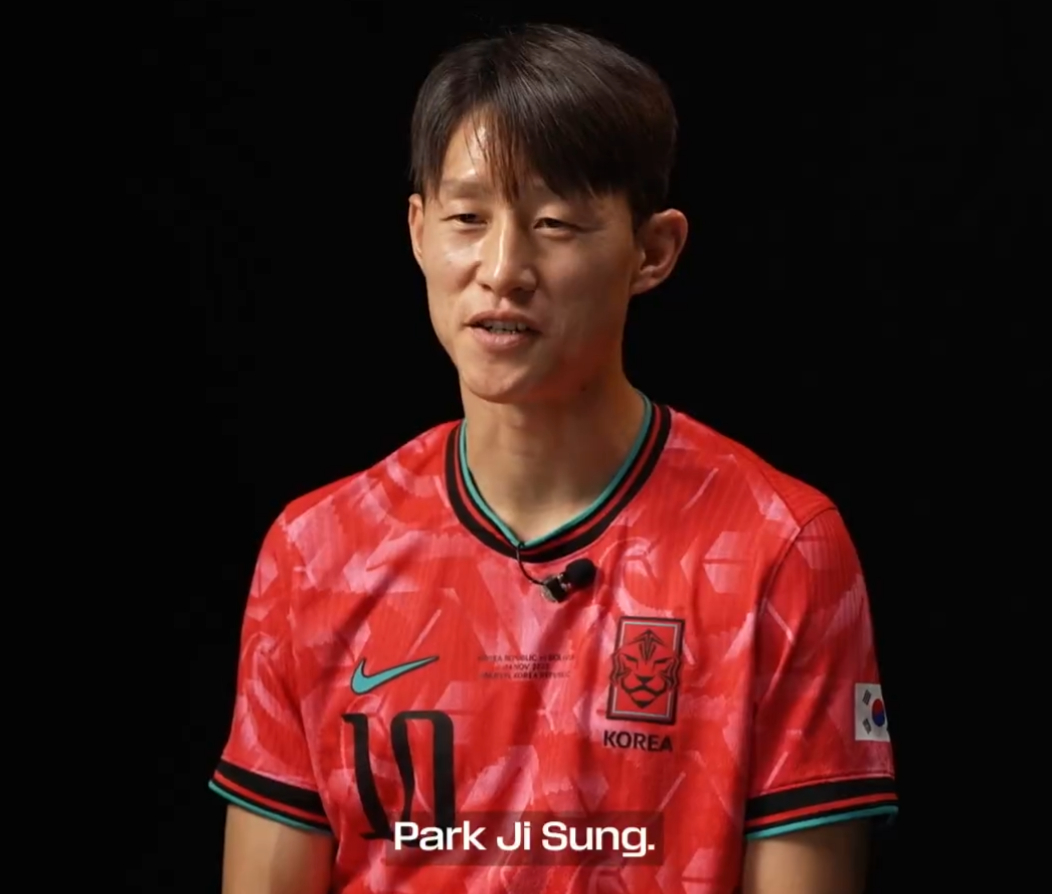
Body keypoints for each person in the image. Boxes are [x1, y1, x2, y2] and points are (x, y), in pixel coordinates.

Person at [210, 22, 897, 894]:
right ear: (418, 232)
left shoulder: (780, 547)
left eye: (554, 224)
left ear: (654, 251)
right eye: (468, 219)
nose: (503, 268)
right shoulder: (316, 552)